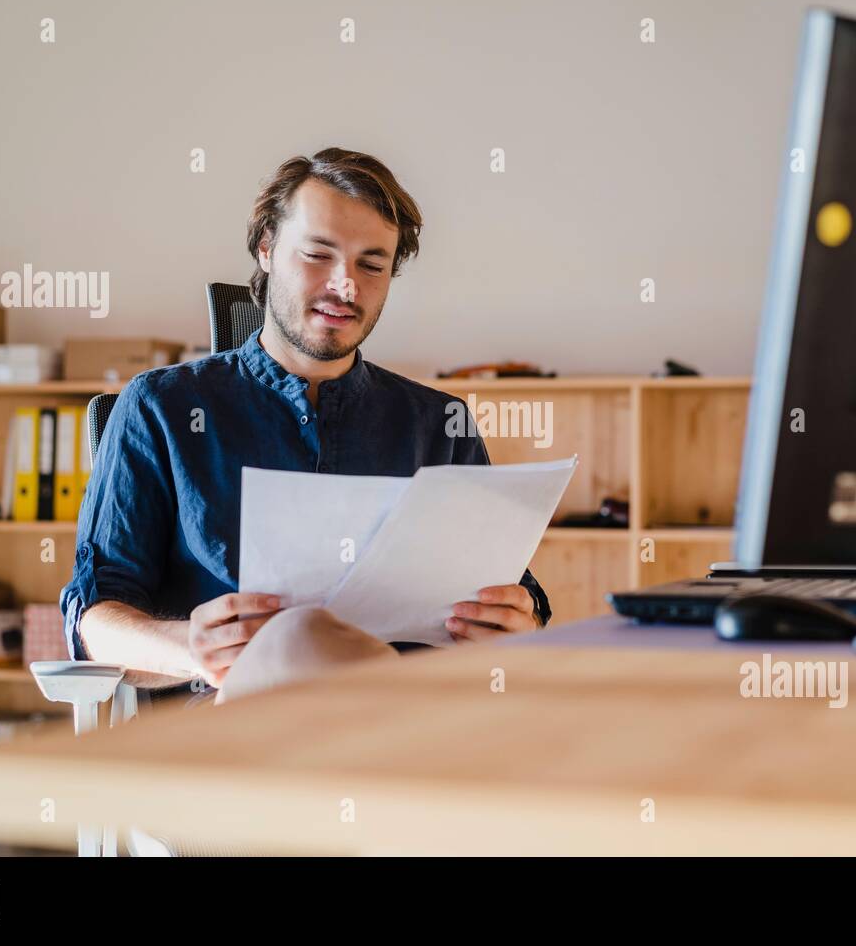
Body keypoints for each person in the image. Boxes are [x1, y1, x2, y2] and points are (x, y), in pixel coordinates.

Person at [59, 148, 551, 694]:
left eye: (372, 264)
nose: (346, 286)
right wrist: (190, 649)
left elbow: (513, 594)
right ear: (267, 249)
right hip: (239, 730)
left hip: (411, 727)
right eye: (318, 254)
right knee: (299, 641)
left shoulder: (440, 423)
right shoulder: (160, 408)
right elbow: (94, 623)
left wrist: (514, 623)